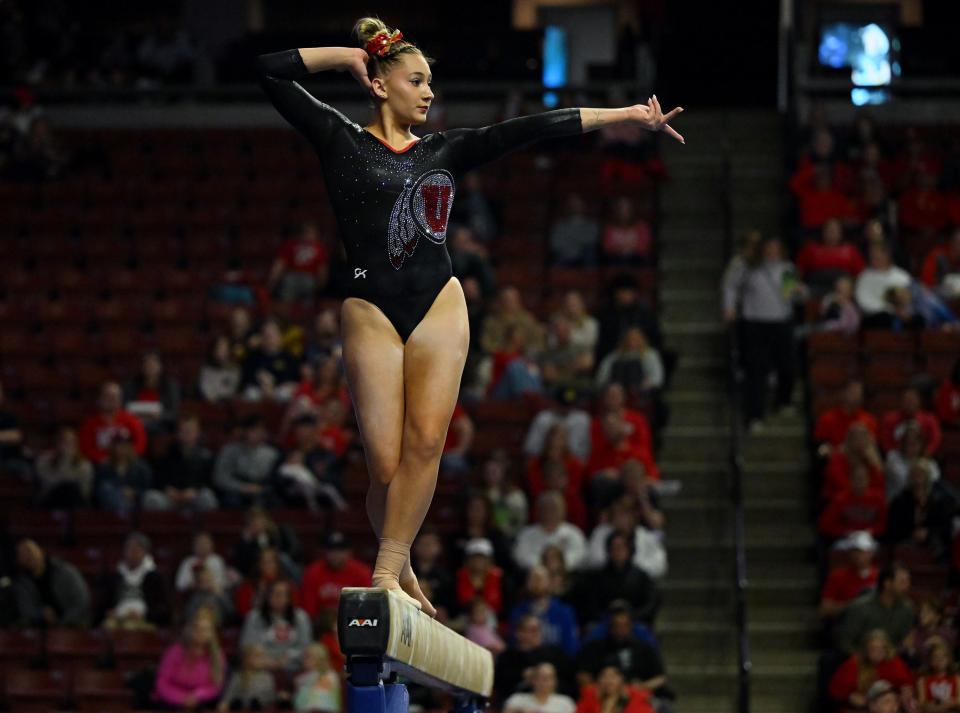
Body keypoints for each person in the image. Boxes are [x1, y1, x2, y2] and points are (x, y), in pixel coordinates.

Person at [255, 20, 685, 615]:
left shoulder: (445, 149)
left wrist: (627, 115)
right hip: (369, 307)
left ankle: (387, 567)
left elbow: (533, 127)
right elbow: (267, 70)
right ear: (380, 85)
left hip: (438, 302)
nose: (429, 92)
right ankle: (398, 564)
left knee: (427, 441)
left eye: (431, 81)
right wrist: (348, 57)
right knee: (384, 463)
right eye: (416, 80)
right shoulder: (339, 138)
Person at [723, 237, 805, 431]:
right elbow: (731, 286)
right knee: (756, 371)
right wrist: (729, 307)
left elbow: (791, 295)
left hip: (781, 322)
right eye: (768, 248)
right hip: (755, 324)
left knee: (787, 365)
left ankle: (783, 400)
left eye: (776, 248)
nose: (772, 252)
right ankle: (754, 414)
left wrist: (799, 292)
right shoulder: (749, 269)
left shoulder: (786, 269)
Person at [576, 602, 668, 701]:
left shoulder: (644, 647)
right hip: (601, 696)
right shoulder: (595, 647)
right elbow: (582, 675)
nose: (621, 629)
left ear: (631, 626)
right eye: (617, 625)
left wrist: (641, 688)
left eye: (625, 625)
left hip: (638, 695)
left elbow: (660, 678)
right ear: (610, 627)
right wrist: (602, 689)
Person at [580, 530, 660, 627]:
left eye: (621, 547)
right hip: (604, 624)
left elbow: (650, 604)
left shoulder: (642, 577)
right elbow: (591, 605)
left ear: (629, 550)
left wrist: (631, 618)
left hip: (635, 624)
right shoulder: (597, 577)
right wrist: (610, 619)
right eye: (614, 548)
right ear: (608, 550)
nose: (618, 551)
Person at [154, 608, 226, 710]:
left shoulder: (218, 655)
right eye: (197, 628)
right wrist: (181, 698)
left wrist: (197, 695)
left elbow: (216, 685)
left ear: (211, 633)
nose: (201, 633)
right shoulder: (174, 652)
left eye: (205, 630)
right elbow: (161, 683)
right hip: (172, 700)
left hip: (202, 700)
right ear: (189, 630)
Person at [837, 562, 915, 654]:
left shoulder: (907, 608)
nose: (907, 586)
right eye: (902, 582)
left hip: (891, 659)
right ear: (887, 584)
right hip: (861, 661)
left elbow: (905, 642)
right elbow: (845, 643)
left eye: (908, 581)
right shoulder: (860, 607)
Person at [13, 538, 92, 628]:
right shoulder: (22, 582)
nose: (28, 556)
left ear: (41, 551)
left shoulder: (65, 571)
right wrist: (41, 614)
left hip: (72, 624)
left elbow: (82, 602)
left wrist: (62, 623)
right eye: (22, 554)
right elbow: (26, 610)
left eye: (29, 551)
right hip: (40, 626)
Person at [885, 460, 957, 558]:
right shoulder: (900, 501)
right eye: (914, 475)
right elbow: (893, 528)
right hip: (906, 540)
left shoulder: (939, 501)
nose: (917, 480)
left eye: (921, 475)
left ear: (928, 478)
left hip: (933, 542)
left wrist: (928, 533)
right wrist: (911, 533)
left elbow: (945, 528)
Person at [496, 615, 576, 702]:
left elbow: (569, 681)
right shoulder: (507, 657)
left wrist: (549, 679)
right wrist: (522, 675)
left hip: (553, 700)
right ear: (518, 633)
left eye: (536, 630)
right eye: (529, 630)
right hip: (519, 701)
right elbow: (500, 685)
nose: (534, 634)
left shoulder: (555, 653)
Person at [240, 579, 312, 673]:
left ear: (289, 598)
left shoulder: (300, 617)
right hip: (261, 665)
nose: (278, 598)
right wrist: (266, 660)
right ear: (267, 596)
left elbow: (305, 646)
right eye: (274, 594)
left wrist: (288, 657)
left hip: (293, 665)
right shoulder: (254, 617)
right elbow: (247, 645)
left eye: (282, 594)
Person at [829, 629, 913, 710]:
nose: (878, 652)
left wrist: (905, 694)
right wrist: (850, 697)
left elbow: (906, 685)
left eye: (882, 648)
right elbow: (836, 690)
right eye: (873, 649)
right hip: (861, 708)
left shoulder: (894, 663)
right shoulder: (854, 664)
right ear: (866, 650)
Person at [149, 414, 218, 512]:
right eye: (183, 431)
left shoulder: (206, 456)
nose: (186, 434)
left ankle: (205, 527)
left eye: (190, 431)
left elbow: (210, 482)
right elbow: (159, 478)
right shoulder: (168, 454)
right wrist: (167, 489)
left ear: (197, 433)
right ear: (178, 433)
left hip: (194, 498)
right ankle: (161, 527)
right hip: (172, 498)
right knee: (152, 498)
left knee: (207, 497)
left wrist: (195, 490)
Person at [101, 532, 170, 630]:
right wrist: (109, 612)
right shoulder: (114, 576)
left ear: (145, 553)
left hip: (144, 619)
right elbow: (104, 604)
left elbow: (163, 609)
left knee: (131, 627)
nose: (132, 554)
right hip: (118, 617)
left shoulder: (155, 577)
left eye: (136, 550)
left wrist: (144, 615)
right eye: (129, 549)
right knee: (107, 627)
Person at [509, 565, 580, 656]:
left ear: (550, 583)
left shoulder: (564, 612)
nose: (536, 582)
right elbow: (513, 645)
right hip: (525, 663)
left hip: (556, 664)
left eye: (540, 578)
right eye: (532, 578)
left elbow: (571, 647)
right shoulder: (518, 612)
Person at [301, 530, 373, 619]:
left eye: (340, 550)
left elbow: (365, 606)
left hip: (352, 622)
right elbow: (309, 610)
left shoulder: (362, 572)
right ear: (325, 552)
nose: (336, 555)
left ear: (349, 552)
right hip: (321, 625)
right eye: (332, 550)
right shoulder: (313, 572)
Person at [213, 415, 280, 508]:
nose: (258, 433)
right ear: (245, 432)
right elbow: (220, 478)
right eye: (254, 430)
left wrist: (262, 489)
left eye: (261, 430)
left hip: (261, 490)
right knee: (232, 502)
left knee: (275, 502)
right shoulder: (229, 451)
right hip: (236, 490)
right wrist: (243, 487)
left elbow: (275, 479)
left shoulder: (272, 453)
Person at [513, 492, 588, 572]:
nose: (549, 512)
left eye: (554, 508)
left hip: (567, 576)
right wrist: (544, 566)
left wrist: (557, 567)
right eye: (545, 508)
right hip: (535, 576)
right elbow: (520, 556)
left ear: (563, 510)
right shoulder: (526, 534)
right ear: (538, 511)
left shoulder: (574, 533)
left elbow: (580, 555)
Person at [79, 381, 147, 464]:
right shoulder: (90, 423)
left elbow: (141, 443)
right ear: (100, 399)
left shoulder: (131, 419)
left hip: (127, 463)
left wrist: (128, 457)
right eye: (107, 396)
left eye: (115, 397)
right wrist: (102, 458)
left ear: (120, 400)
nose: (111, 400)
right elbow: (85, 448)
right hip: (100, 464)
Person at [819, 531, 879, 621]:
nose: (858, 556)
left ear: (871, 553)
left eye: (862, 551)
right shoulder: (837, 576)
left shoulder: (880, 576)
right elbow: (825, 609)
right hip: (846, 622)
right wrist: (854, 605)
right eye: (854, 551)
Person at [795, 217, 865, 293]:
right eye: (829, 230)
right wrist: (798, 284)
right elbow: (798, 270)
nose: (832, 232)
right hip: (814, 287)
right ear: (823, 231)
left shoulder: (850, 250)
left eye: (835, 230)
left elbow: (861, 275)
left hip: (842, 289)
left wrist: (852, 286)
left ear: (840, 232)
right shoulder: (811, 248)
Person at [267, 220, 330, 302]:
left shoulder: (320, 249)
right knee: (289, 283)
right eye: (306, 232)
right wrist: (271, 282)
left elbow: (322, 270)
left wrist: (320, 286)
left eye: (311, 232)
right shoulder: (291, 245)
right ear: (300, 233)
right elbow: (279, 265)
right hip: (292, 277)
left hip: (309, 279)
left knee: (307, 287)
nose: (309, 235)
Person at [241, 319, 301, 402]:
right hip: (259, 390)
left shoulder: (289, 357)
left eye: (272, 335)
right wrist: (262, 383)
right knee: (250, 394)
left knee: (284, 394)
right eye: (266, 335)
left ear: (280, 337)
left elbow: (293, 380)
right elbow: (246, 380)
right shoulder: (253, 358)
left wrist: (272, 384)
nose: (269, 339)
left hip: (280, 389)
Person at [856, 243, 913, 329]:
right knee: (884, 317)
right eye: (872, 255)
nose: (873, 258)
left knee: (916, 318)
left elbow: (909, 298)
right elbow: (863, 302)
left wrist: (903, 310)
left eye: (877, 254)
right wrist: (891, 310)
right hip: (875, 317)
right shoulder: (864, 277)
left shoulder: (902, 276)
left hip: (902, 314)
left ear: (886, 255)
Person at [95, 433, 155, 515]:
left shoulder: (141, 467)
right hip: (110, 506)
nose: (123, 449)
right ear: (114, 447)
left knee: (150, 497)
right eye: (120, 445)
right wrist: (120, 492)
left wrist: (134, 492)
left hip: (136, 503)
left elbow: (147, 488)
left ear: (131, 447)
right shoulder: (105, 466)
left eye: (126, 445)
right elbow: (98, 489)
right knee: (107, 488)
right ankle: (121, 517)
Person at [35, 426, 94, 507]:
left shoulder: (84, 464)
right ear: (58, 443)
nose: (69, 445)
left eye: (72, 442)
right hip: (50, 499)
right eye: (65, 442)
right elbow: (47, 484)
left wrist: (68, 459)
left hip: (74, 501)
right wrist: (65, 460)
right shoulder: (44, 459)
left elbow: (84, 492)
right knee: (65, 489)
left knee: (71, 490)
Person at [813, 380, 877, 456]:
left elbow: (873, 447)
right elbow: (820, 447)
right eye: (852, 392)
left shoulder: (869, 420)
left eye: (859, 393)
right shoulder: (828, 418)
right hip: (836, 462)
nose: (856, 396)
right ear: (843, 393)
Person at [123, 350, 181, 432]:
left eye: (153, 364)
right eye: (147, 364)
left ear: (160, 366)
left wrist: (159, 415)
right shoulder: (131, 385)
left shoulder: (170, 386)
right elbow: (125, 408)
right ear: (142, 367)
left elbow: (174, 413)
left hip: (160, 426)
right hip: (135, 424)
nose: (150, 366)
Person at [880, 388, 942, 456]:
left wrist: (926, 452)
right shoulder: (889, 419)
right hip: (896, 458)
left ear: (919, 401)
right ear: (901, 402)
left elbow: (935, 439)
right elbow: (885, 443)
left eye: (912, 400)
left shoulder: (929, 419)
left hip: (922, 456)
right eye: (907, 400)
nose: (910, 403)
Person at [576, 662, 657, 713]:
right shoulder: (589, 698)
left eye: (613, 676)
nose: (608, 681)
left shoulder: (637, 699)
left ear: (622, 679)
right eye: (603, 676)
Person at [217, 644, 276, 712]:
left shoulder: (268, 677)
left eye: (263, 657)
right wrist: (224, 703)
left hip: (259, 708)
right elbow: (230, 693)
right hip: (240, 708)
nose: (261, 660)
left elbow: (270, 697)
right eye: (257, 657)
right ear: (247, 659)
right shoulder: (238, 675)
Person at [456, 537, 505, 616]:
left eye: (482, 558)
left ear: (489, 560)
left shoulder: (501, 579)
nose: (478, 561)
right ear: (467, 559)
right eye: (474, 557)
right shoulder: (458, 578)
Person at [549, 193, 600, 266]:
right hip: (565, 258)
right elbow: (555, 244)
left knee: (590, 252)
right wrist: (575, 246)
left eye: (578, 204)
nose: (575, 207)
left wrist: (570, 239)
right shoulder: (559, 226)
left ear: (583, 206)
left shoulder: (592, 225)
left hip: (585, 259)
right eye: (572, 205)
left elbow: (592, 241)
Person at [503, 662, 576, 713]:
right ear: (532, 680)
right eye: (538, 678)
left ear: (555, 681)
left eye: (547, 678)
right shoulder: (517, 699)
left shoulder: (565, 702)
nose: (542, 682)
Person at [600, 195, 653, 265]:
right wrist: (620, 249)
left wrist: (631, 248)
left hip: (637, 258)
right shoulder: (610, 227)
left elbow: (645, 246)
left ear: (632, 209)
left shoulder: (642, 226)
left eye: (627, 207)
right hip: (615, 258)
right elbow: (606, 247)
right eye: (621, 208)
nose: (624, 211)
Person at [293, 642, 342, 712]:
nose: (304, 659)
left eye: (308, 656)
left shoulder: (330, 675)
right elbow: (298, 703)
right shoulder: (300, 678)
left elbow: (323, 703)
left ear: (319, 658)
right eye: (304, 656)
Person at [916, 642, 960, 712]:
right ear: (930, 661)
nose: (940, 660)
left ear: (948, 659)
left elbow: (958, 702)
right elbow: (922, 706)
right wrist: (949, 703)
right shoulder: (923, 680)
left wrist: (937, 705)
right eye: (936, 657)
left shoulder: (956, 678)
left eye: (943, 657)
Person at [199, 335, 241, 403]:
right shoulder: (207, 369)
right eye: (220, 347)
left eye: (225, 347)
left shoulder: (235, 369)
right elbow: (206, 391)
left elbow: (234, 390)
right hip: (210, 406)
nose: (222, 351)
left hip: (230, 405)